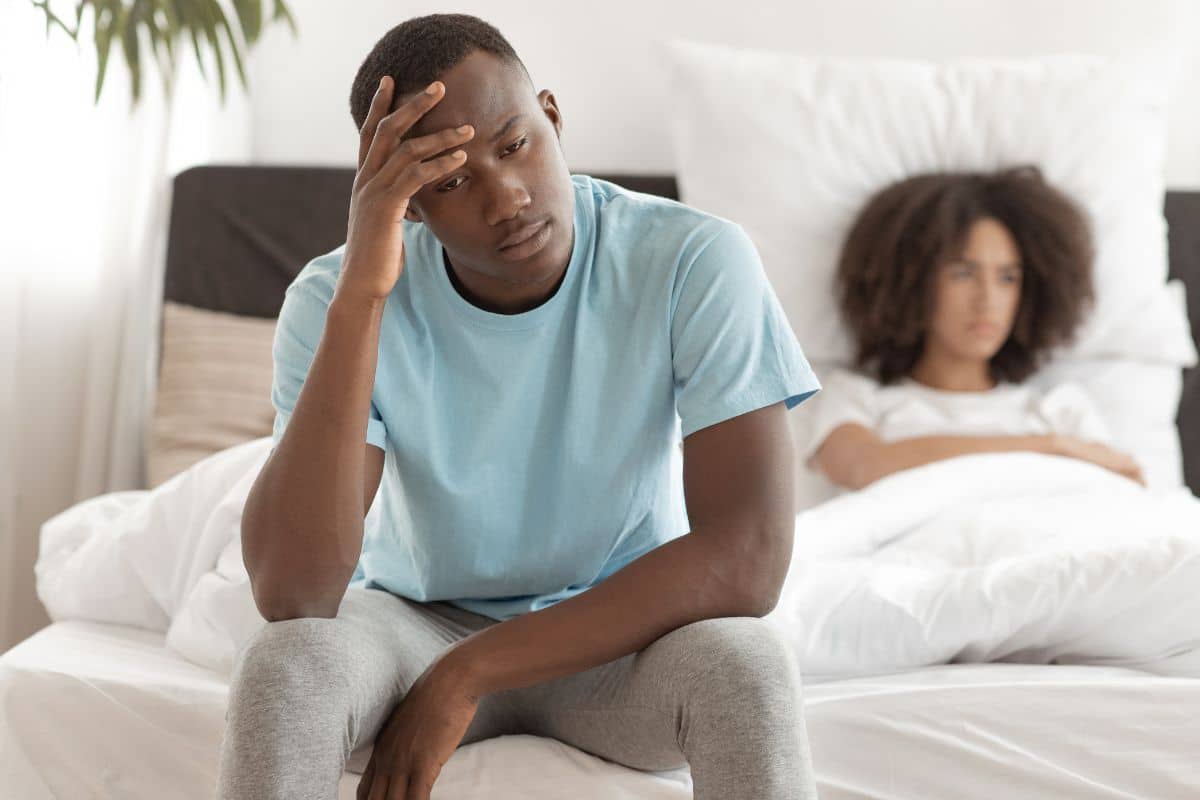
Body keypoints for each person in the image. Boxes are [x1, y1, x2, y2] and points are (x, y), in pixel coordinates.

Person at [216, 13, 822, 800]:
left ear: (553, 118)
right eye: (450, 181)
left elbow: (748, 555)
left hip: (620, 634)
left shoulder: (692, 259)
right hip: (413, 624)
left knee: (749, 665)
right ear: (409, 205)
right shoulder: (332, 297)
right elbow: (295, 593)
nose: (506, 198)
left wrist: (470, 671)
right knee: (284, 667)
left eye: (515, 145)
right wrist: (364, 289)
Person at [800, 166, 1145, 493]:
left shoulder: (1060, 410)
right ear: (912, 282)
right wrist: (1051, 449)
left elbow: (1123, 496)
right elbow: (864, 467)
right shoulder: (857, 400)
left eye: (1007, 277)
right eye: (963, 274)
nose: (987, 300)